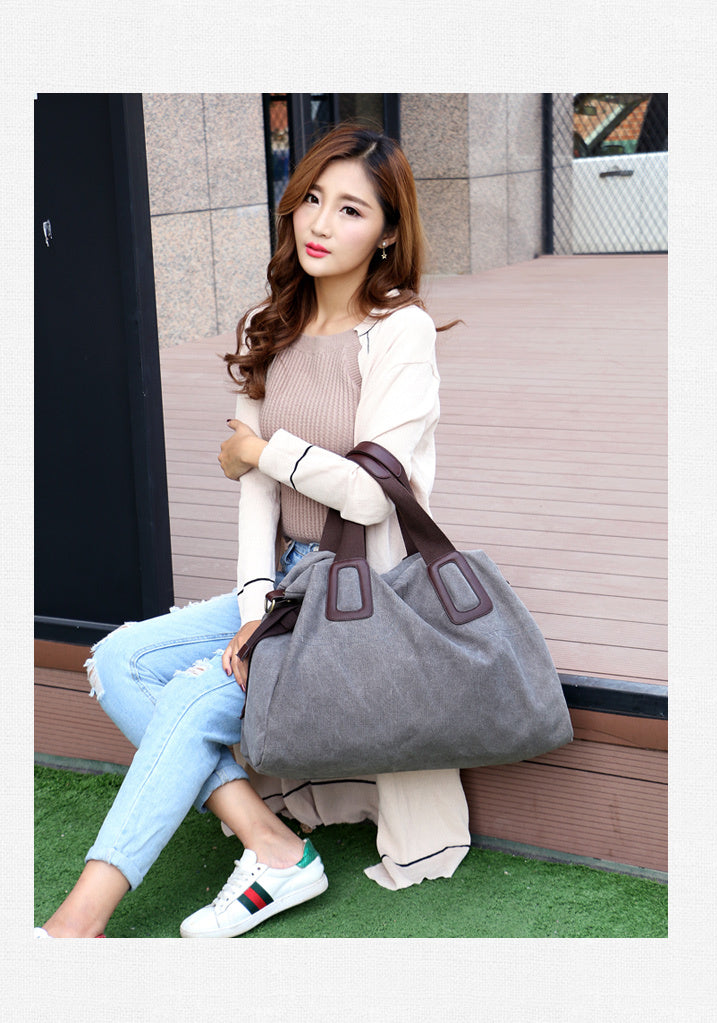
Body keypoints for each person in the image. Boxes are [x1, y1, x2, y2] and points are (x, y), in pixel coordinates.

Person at [35, 124, 470, 939]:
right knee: (118, 660)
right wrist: (253, 608)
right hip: (286, 586)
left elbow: (372, 494)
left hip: (356, 593)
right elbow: (258, 501)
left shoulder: (400, 331)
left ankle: (75, 926)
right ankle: (272, 843)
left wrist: (262, 449)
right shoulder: (271, 327)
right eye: (312, 199)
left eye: (351, 210)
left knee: (194, 694)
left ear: (387, 234)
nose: (321, 223)